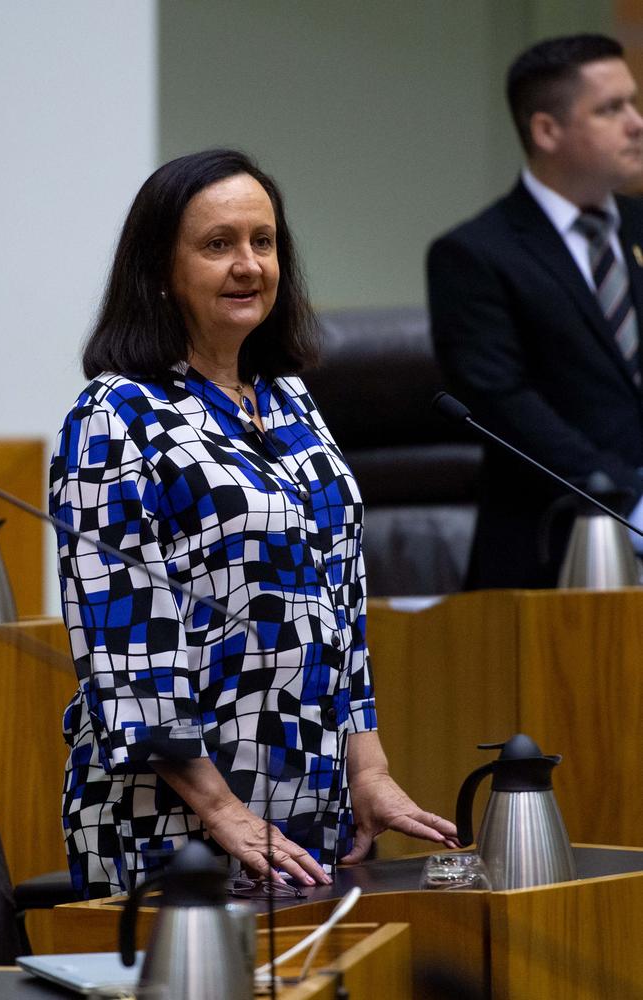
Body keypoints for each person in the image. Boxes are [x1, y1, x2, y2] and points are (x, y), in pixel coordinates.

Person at [50, 149, 457, 899]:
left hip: (309, 802)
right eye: (218, 245)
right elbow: (125, 648)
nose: (248, 265)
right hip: (172, 819)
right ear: (161, 270)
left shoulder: (289, 399)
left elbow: (339, 610)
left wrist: (372, 774)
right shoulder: (116, 415)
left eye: (263, 242)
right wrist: (222, 811)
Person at [427, 34, 643, 589]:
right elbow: (503, 404)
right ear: (547, 130)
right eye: (611, 109)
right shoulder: (475, 254)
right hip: (556, 553)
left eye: (633, 103)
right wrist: (632, 500)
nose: (636, 123)